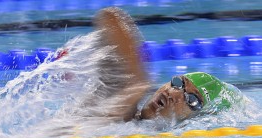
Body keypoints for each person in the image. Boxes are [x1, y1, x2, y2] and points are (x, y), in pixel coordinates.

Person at [82, 7, 243, 124]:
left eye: (192, 100)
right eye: (179, 83)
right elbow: (110, 16)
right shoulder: (125, 107)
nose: (173, 93)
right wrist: (136, 83)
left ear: (198, 118)